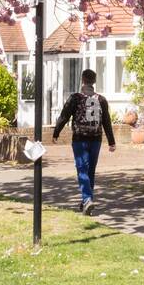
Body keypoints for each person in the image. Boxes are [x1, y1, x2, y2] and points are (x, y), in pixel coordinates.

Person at [52, 68, 115, 215]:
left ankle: (87, 199)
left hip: (80, 139)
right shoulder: (102, 99)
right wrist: (111, 141)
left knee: (82, 169)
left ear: (82, 80)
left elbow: (64, 116)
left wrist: (56, 133)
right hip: (96, 139)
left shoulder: (76, 98)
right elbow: (106, 121)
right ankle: (87, 200)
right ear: (94, 81)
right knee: (90, 171)